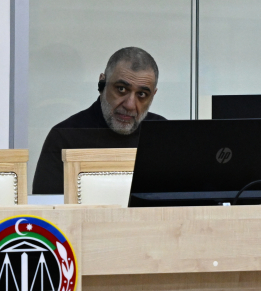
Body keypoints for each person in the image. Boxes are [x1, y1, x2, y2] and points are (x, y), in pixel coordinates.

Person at [32, 47, 166, 194]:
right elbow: (47, 205)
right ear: (102, 83)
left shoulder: (163, 134)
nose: (129, 105)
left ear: (153, 95)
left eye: (142, 94)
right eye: (121, 89)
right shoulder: (65, 136)